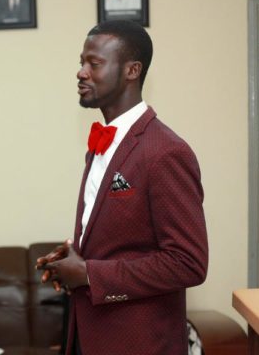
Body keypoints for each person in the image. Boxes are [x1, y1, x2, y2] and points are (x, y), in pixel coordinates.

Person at [36, 20, 208, 355]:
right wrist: (76, 259)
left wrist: (89, 274)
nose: (81, 72)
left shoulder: (165, 151)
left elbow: (188, 262)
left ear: (132, 70)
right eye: (81, 62)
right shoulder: (100, 145)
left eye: (94, 64)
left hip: (138, 343)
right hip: (90, 335)